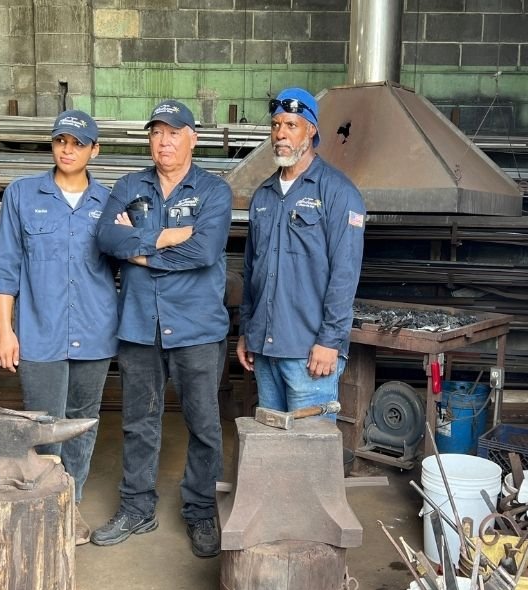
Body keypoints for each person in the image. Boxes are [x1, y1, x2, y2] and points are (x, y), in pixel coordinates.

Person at [93, 100, 232, 558]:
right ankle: (136, 507)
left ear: (193, 137)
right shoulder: (130, 186)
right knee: (138, 423)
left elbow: (205, 252)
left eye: (173, 132)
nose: (164, 141)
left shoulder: (214, 191)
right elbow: (107, 239)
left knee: (205, 425)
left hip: (197, 328)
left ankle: (199, 509)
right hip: (139, 325)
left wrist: (139, 252)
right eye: (156, 133)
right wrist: (168, 237)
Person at [0, 110, 117, 546]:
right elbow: (5, 267)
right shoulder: (24, 195)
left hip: (95, 330)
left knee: (83, 422)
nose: (67, 149)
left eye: (78, 143)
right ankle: (45, 504)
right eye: (61, 140)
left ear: (94, 151)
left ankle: (70, 504)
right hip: (40, 331)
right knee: (43, 424)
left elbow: (131, 261)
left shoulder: (109, 204)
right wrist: (4, 329)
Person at [236, 87, 366, 420]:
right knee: (273, 453)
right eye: (276, 125)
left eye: (291, 125)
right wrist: (247, 332)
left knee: (312, 455)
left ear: (311, 130)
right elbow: (252, 271)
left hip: (311, 354)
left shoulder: (337, 192)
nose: (280, 134)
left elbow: (345, 274)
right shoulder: (263, 196)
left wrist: (330, 341)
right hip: (265, 350)